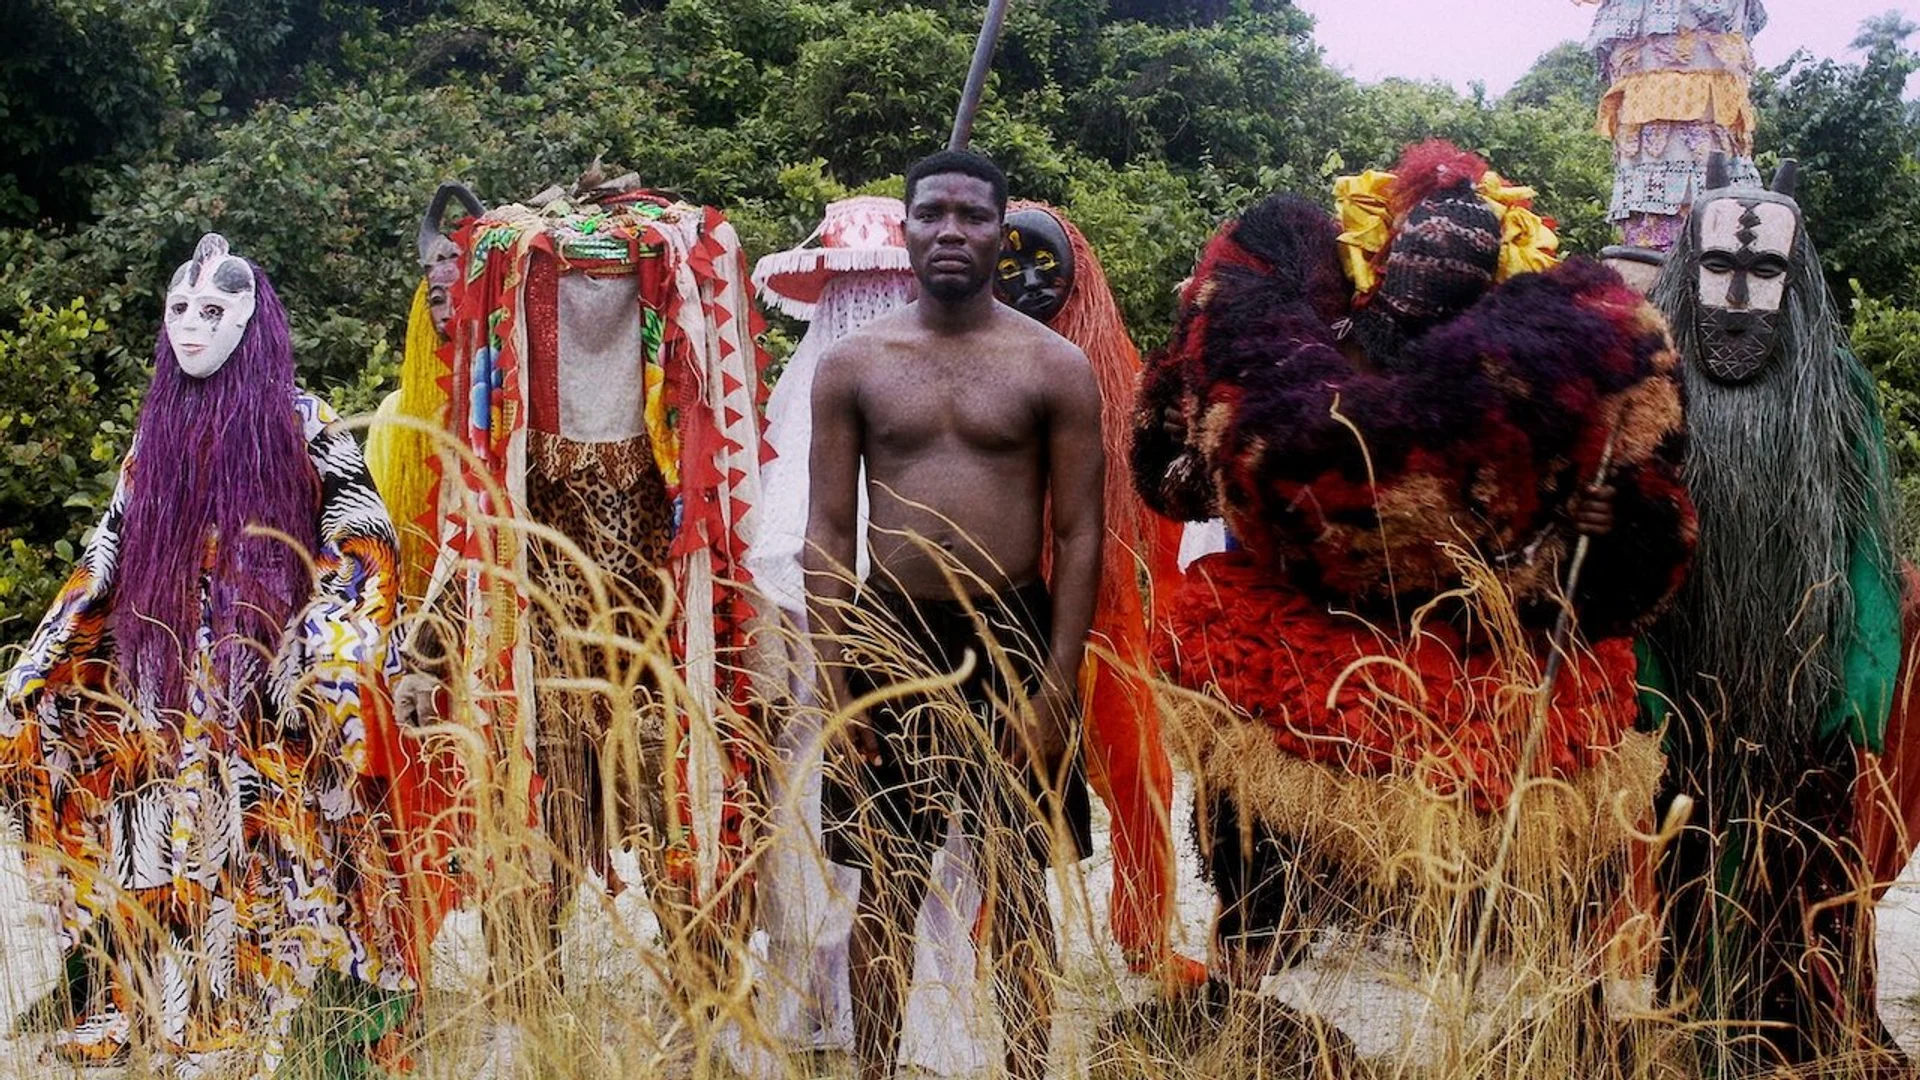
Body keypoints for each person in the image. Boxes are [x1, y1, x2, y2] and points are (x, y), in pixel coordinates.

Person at [1132, 142, 1696, 998]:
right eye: (1419, 246)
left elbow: (1623, 510)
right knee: (1256, 851)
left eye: (1462, 252)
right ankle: (1245, 986)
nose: (1436, 263)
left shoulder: (1523, 379)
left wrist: (1591, 519)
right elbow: (1180, 472)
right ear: (1382, 252)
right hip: (1308, 627)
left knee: (1536, 840)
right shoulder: (1317, 343)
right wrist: (1231, 474)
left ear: (1494, 271)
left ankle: (1537, 1000)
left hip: (1477, 629)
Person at [1, 234, 433, 1077]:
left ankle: (232, 1012)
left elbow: (363, 537)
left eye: (213, 310)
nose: (191, 327)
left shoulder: (301, 422)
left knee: (250, 841)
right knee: (148, 834)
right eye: (178, 310)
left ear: (251, 318)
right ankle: (126, 1000)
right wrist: (50, 649)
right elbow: (113, 541)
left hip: (257, 674)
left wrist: (327, 646)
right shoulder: (154, 431)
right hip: (152, 670)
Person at [806, 149, 1101, 1080]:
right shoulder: (856, 363)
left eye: (973, 216)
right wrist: (835, 675)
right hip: (889, 635)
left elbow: (1083, 532)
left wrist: (1056, 686)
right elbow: (824, 526)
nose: (950, 231)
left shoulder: (1052, 366)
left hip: (1012, 633)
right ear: (905, 229)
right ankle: (874, 1071)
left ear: (999, 232)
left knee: (1018, 887)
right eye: (931, 213)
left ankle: (1023, 1069)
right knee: (883, 890)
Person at [1641, 154, 1913, 1076]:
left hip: (1807, 696)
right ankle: (1697, 1026)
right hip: (1684, 685)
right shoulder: (1651, 389)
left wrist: (1861, 679)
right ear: (1689, 265)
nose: (1740, 295)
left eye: (1766, 273)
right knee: (1688, 867)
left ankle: (1811, 1037)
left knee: (1808, 875)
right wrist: (1640, 677)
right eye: (1721, 268)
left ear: (1796, 281)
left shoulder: (1838, 396)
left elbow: (1869, 553)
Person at [994, 201, 1203, 983]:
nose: (1025, 281)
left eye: (1043, 265)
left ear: (1079, 270)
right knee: (999, 790)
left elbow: (1164, 501)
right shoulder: (970, 362)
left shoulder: (1130, 375)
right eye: (1007, 266)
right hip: (1007, 614)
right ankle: (987, 943)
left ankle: (1144, 936)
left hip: (1110, 618)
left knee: (1144, 783)